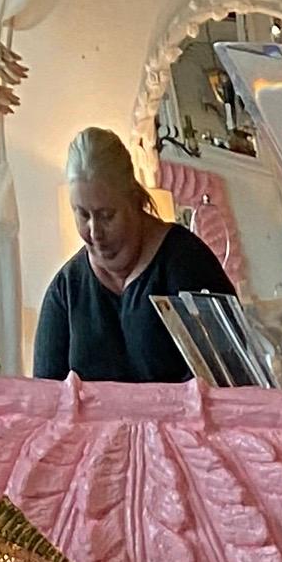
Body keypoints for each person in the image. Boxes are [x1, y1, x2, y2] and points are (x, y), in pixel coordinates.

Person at [31, 128, 238, 386]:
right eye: (82, 215)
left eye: (107, 215)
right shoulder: (65, 291)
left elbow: (230, 385)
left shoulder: (188, 262)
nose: (94, 232)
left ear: (133, 199)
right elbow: (46, 404)